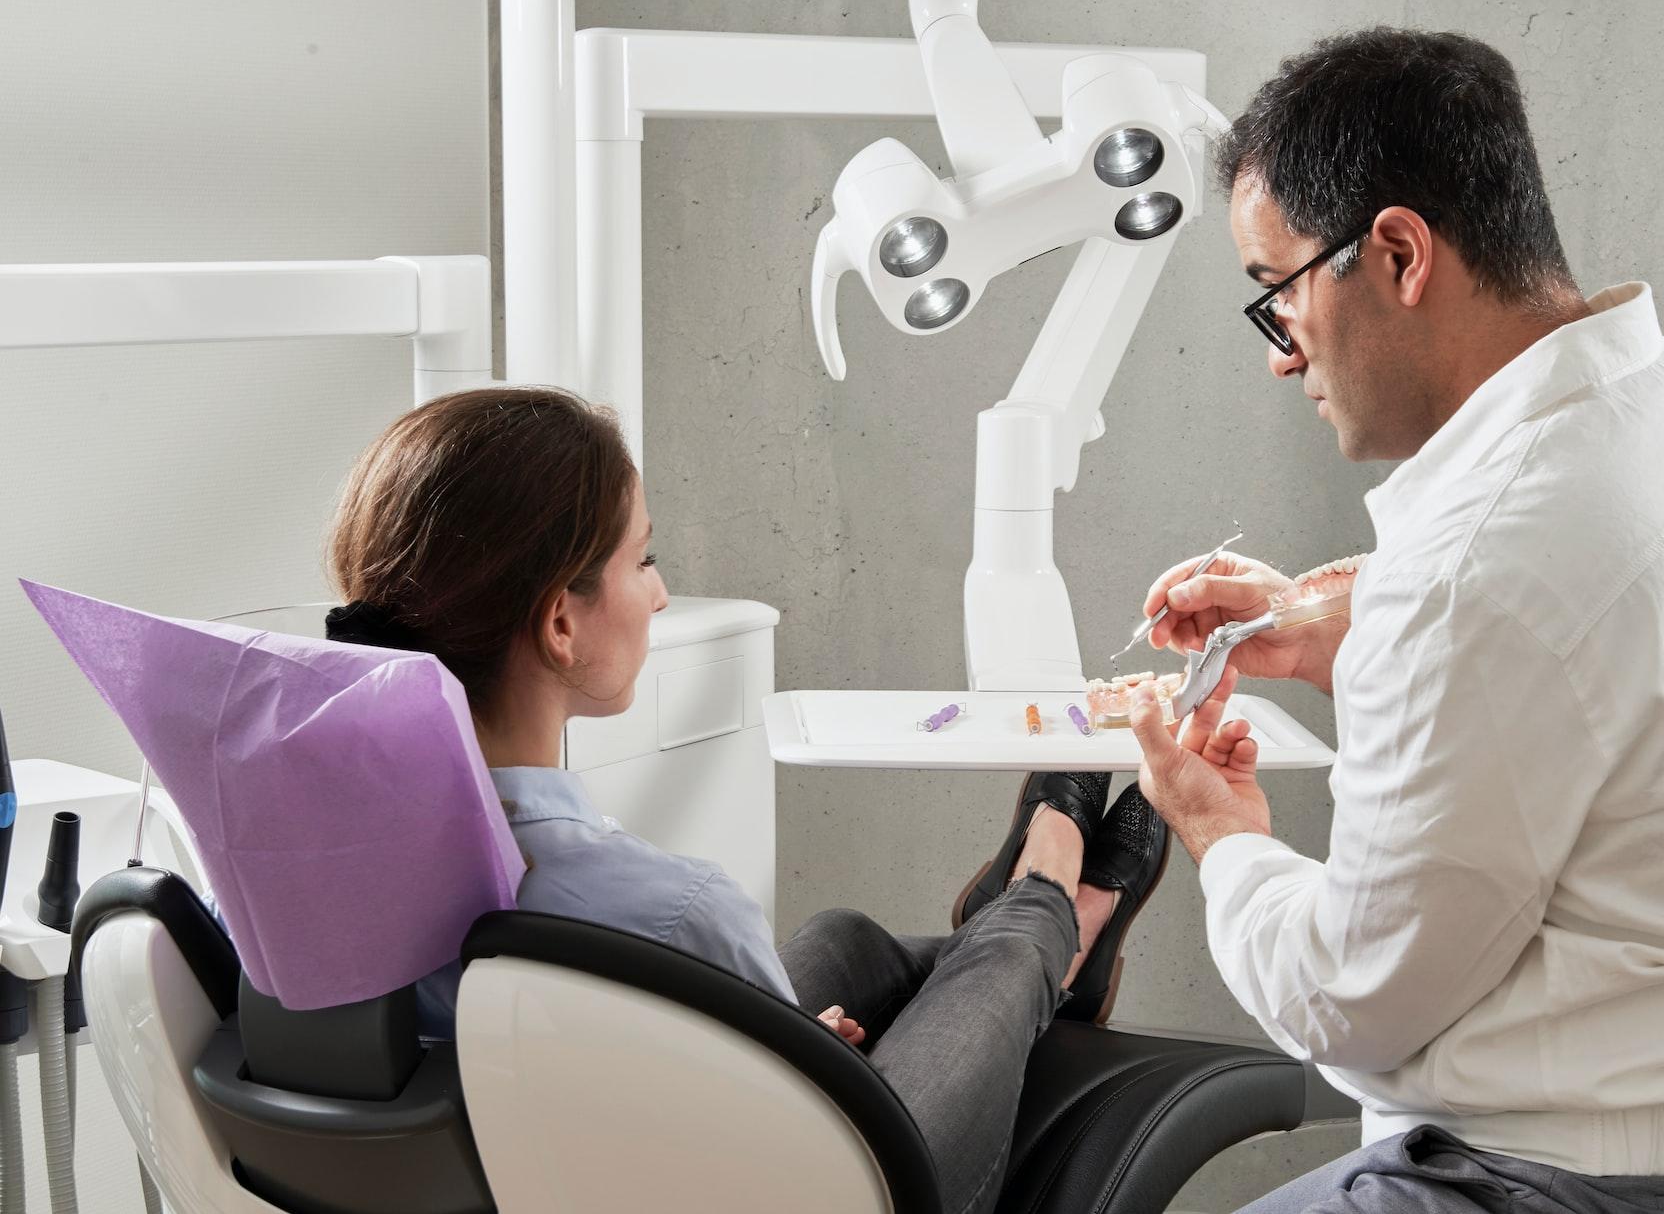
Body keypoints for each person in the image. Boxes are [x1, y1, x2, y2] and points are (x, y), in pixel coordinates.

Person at [1125, 27, 1664, 1212]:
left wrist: (1222, 833)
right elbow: (1602, 685)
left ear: (1401, 252)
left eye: (1279, 293)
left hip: (1540, 1185)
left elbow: (1348, 1003)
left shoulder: (1473, 570)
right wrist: (1355, 625)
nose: (1281, 355)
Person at [319, 384, 1185, 1214]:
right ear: (560, 624)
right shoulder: (674, 913)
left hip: (578, 1167)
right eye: (643, 558)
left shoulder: (302, 884)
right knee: (1000, 953)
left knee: (846, 940)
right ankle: (1056, 900)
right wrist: (798, 1071)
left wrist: (785, 1050)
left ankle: (1026, 915)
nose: (658, 592)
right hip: (820, 1195)